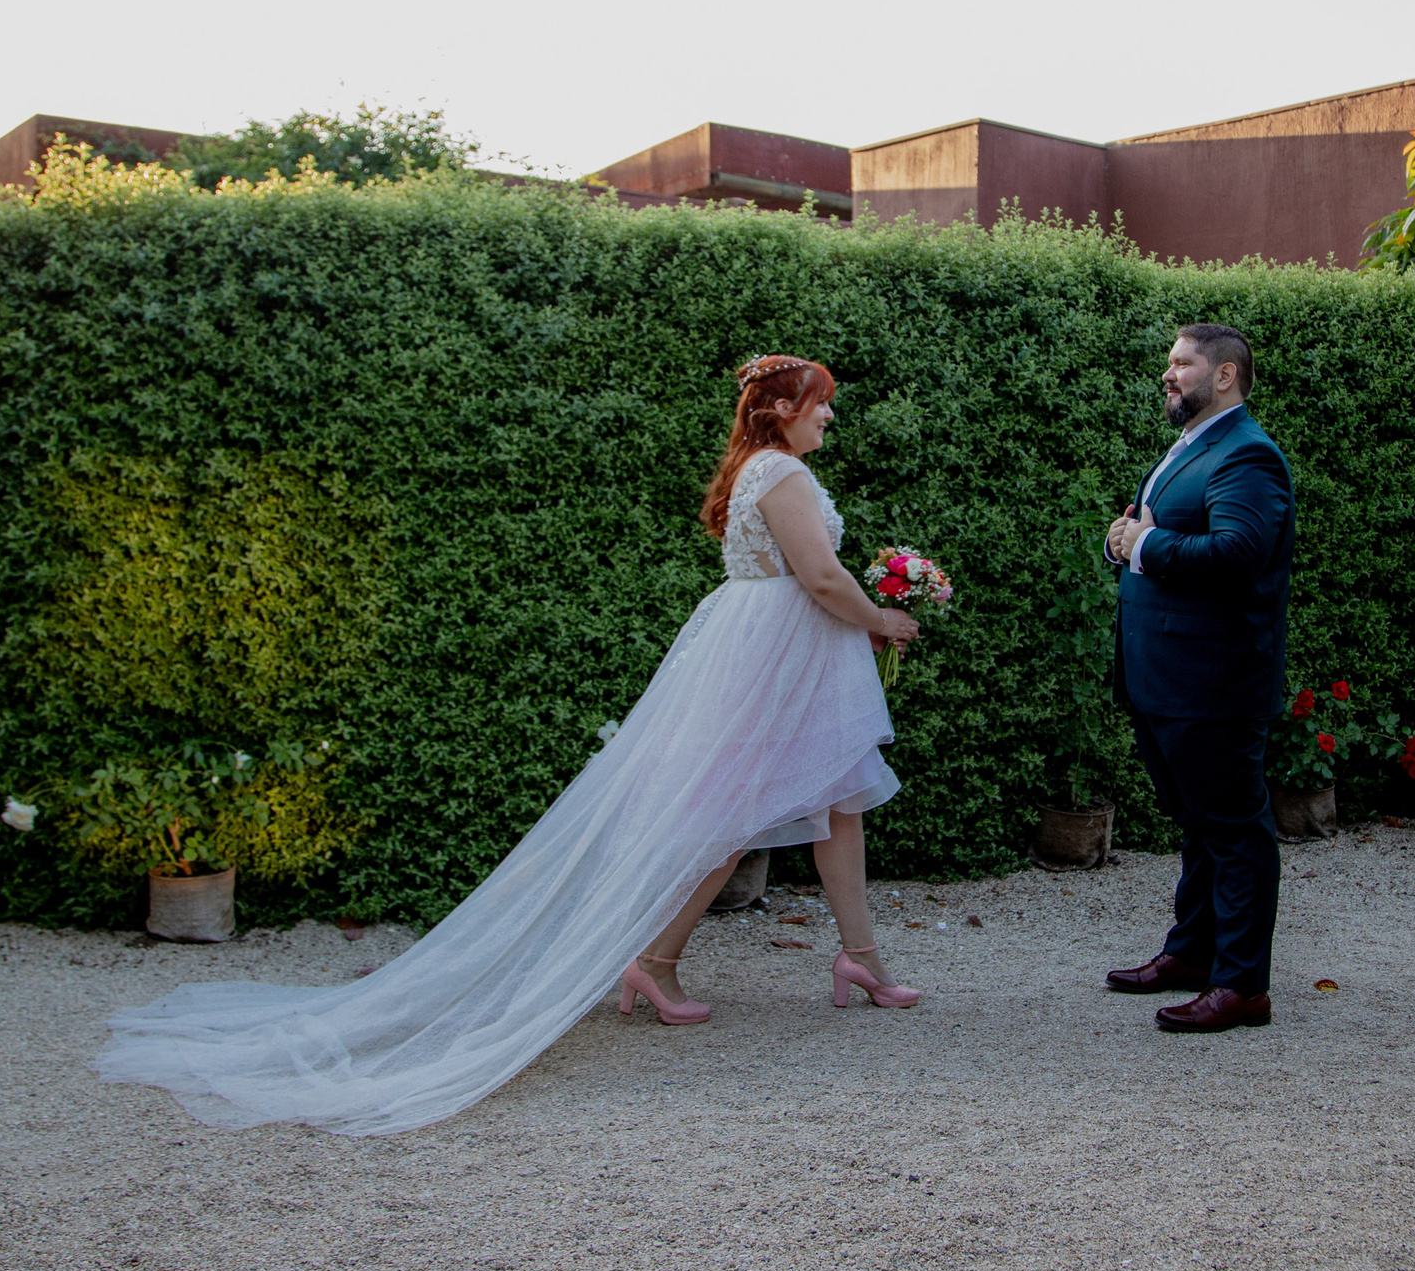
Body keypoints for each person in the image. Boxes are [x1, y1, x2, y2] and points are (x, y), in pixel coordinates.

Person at [97, 355, 922, 1136]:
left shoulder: (763, 468)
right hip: (776, 656)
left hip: (777, 651)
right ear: (778, 407)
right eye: (820, 403)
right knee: (731, 814)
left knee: (837, 798)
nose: (828, 415)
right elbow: (819, 577)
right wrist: (882, 617)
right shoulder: (781, 472)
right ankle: (659, 958)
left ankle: (850, 958)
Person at [1100, 324, 1296, 1032]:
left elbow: (1239, 553)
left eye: (1182, 363)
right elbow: (1151, 531)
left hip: (1214, 678)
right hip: (1166, 673)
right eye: (1170, 362)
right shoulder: (1192, 445)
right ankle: (1191, 953)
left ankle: (1241, 985)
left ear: (1225, 375)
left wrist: (1145, 543)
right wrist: (1123, 542)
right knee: (1200, 823)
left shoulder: (1248, 454)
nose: (1168, 373)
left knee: (1235, 829)